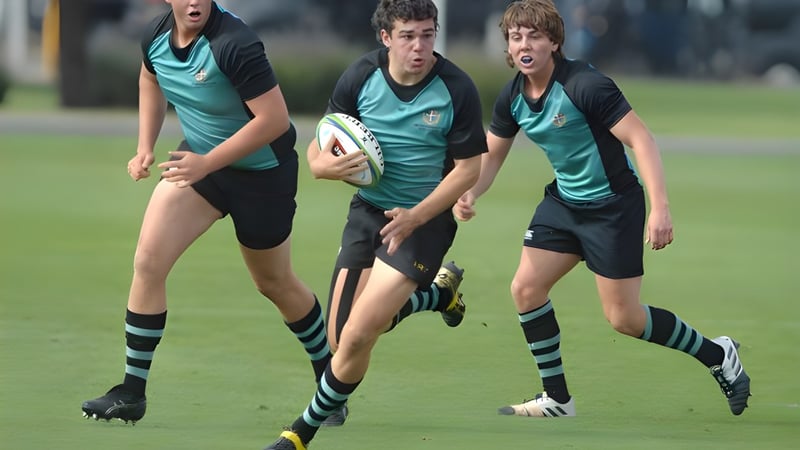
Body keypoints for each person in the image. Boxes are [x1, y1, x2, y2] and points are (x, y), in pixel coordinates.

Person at [454, 0, 750, 418]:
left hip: (613, 208)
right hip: (563, 204)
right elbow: (492, 156)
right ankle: (557, 398)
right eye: (516, 36)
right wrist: (471, 193)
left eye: (535, 36)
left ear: (554, 42)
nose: (525, 44)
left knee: (625, 319)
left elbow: (642, 140)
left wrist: (659, 208)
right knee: (525, 289)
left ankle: (717, 354)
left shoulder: (585, 85)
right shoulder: (512, 98)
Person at [80, 0, 334, 424]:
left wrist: (207, 161)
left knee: (273, 282)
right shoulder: (155, 36)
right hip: (201, 164)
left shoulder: (235, 43)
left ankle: (330, 379)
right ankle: (131, 393)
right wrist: (145, 146)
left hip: (262, 174)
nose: (194, 1)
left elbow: (274, 120)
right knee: (148, 261)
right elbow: (150, 77)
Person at [263, 0, 487, 448]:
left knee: (362, 331)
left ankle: (300, 434)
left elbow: (468, 170)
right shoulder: (360, 76)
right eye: (408, 36)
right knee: (342, 338)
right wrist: (321, 167)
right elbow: (322, 142)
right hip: (368, 212)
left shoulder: (456, 88)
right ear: (386, 38)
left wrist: (418, 215)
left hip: (426, 220)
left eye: (428, 34)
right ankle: (439, 294)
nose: (420, 46)